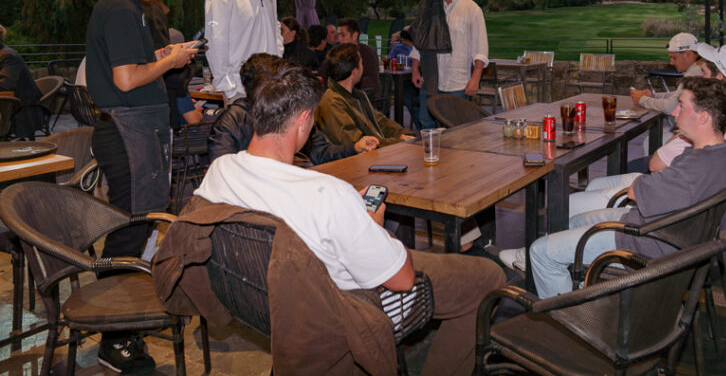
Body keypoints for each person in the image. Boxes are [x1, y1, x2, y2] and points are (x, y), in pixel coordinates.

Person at [193, 63, 506, 375]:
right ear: (303, 121)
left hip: (264, 301)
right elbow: (402, 280)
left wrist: (349, 213)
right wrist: (370, 225)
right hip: (344, 307)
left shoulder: (221, 171)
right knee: (488, 277)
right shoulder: (327, 193)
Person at [500, 76, 726, 298]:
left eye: (682, 106)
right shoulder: (721, 156)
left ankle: (574, 316)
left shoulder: (696, 167)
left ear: (703, 117)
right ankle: (580, 286)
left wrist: (645, 183)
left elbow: (636, 191)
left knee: (540, 253)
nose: (675, 111)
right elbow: (652, 188)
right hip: (659, 229)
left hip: (644, 242)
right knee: (574, 221)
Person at [85, 0, 198, 373]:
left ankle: (122, 322)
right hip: (127, 133)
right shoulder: (121, 8)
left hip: (133, 130)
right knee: (128, 232)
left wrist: (164, 54)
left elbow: (130, 66)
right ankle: (113, 336)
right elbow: (128, 79)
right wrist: (170, 62)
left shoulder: (123, 6)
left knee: (134, 226)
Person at [208, 53, 378, 164]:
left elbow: (321, 151)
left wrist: (354, 147)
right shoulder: (233, 119)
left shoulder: (290, 110)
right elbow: (220, 168)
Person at [647, 43, 726, 171]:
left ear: (718, 78)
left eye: (704, 72)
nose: (700, 77)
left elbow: (655, 164)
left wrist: (682, 132)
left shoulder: (707, 122)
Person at [409, 0, 489, 129]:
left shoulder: (472, 9)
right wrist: (415, 68)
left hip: (457, 82)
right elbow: (421, 38)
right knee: (426, 124)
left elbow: (480, 49)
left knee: (456, 129)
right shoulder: (430, 4)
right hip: (430, 79)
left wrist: (475, 79)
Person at [316, 43, 414, 147]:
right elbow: (357, 143)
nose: (363, 67)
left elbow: (380, 121)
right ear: (354, 72)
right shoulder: (332, 102)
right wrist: (399, 141)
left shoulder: (355, 95)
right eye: (361, 63)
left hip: (378, 150)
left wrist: (405, 135)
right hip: (366, 155)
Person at [631, 32, 703, 114]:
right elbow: (678, 95)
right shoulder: (698, 68)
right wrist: (654, 96)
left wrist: (642, 100)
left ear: (688, 54)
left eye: (674, 58)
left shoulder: (695, 72)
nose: (671, 63)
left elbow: (671, 107)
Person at [318, 17, 381, 101]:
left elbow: (371, 83)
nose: (339, 39)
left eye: (343, 35)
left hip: (360, 100)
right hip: (335, 98)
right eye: (338, 35)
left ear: (354, 35)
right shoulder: (337, 51)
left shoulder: (367, 53)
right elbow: (323, 72)